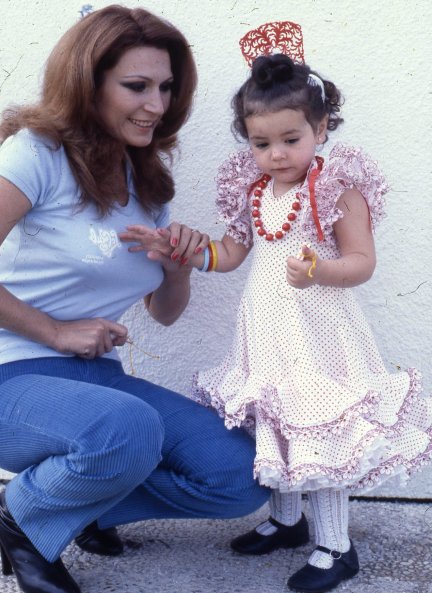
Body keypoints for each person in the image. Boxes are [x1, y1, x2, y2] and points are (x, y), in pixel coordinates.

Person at [122, 53, 432, 593]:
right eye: (261, 143)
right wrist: (183, 250)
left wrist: (320, 270)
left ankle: (336, 545)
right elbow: (232, 254)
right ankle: (287, 521)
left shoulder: (337, 185)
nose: (275, 154)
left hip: (320, 329)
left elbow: (362, 261)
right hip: (265, 326)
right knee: (275, 418)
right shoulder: (253, 188)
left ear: (320, 127)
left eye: (291, 139)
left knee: (318, 425)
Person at [0, 6, 269, 593]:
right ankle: (22, 519)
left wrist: (176, 270)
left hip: (96, 380)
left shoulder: (145, 185)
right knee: (128, 428)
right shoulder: (36, 154)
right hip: (9, 375)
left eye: (167, 87)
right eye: (136, 86)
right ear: (86, 83)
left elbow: (165, 315)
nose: (156, 104)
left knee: (241, 476)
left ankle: (82, 506)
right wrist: (53, 331)